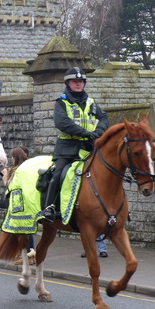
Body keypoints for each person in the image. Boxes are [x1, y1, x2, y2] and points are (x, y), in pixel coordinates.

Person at [41, 66, 109, 222]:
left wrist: (98, 132)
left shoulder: (91, 103)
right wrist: (86, 133)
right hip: (67, 149)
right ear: (68, 83)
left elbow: (104, 118)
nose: (78, 84)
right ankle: (49, 208)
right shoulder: (62, 102)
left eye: (81, 81)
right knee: (58, 175)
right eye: (74, 81)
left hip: (89, 147)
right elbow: (62, 123)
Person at [0, 146, 35, 265]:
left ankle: (28, 256)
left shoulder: (16, 170)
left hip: (17, 204)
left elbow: (10, 186)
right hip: (27, 201)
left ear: (15, 157)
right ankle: (30, 255)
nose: (11, 159)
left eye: (12, 157)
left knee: (22, 231)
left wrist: (5, 176)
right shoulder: (27, 167)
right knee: (27, 229)